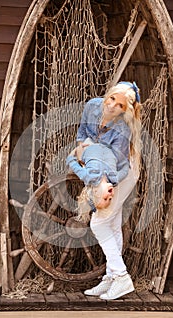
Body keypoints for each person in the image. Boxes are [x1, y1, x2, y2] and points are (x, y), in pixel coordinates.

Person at [67, 81, 141, 300]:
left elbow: (115, 165)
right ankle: (110, 278)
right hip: (101, 165)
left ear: (124, 110)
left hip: (121, 173)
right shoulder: (92, 106)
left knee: (99, 222)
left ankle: (121, 277)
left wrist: (101, 187)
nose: (112, 107)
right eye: (112, 99)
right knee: (113, 224)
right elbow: (82, 132)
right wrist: (83, 148)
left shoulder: (122, 129)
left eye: (119, 106)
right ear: (107, 95)